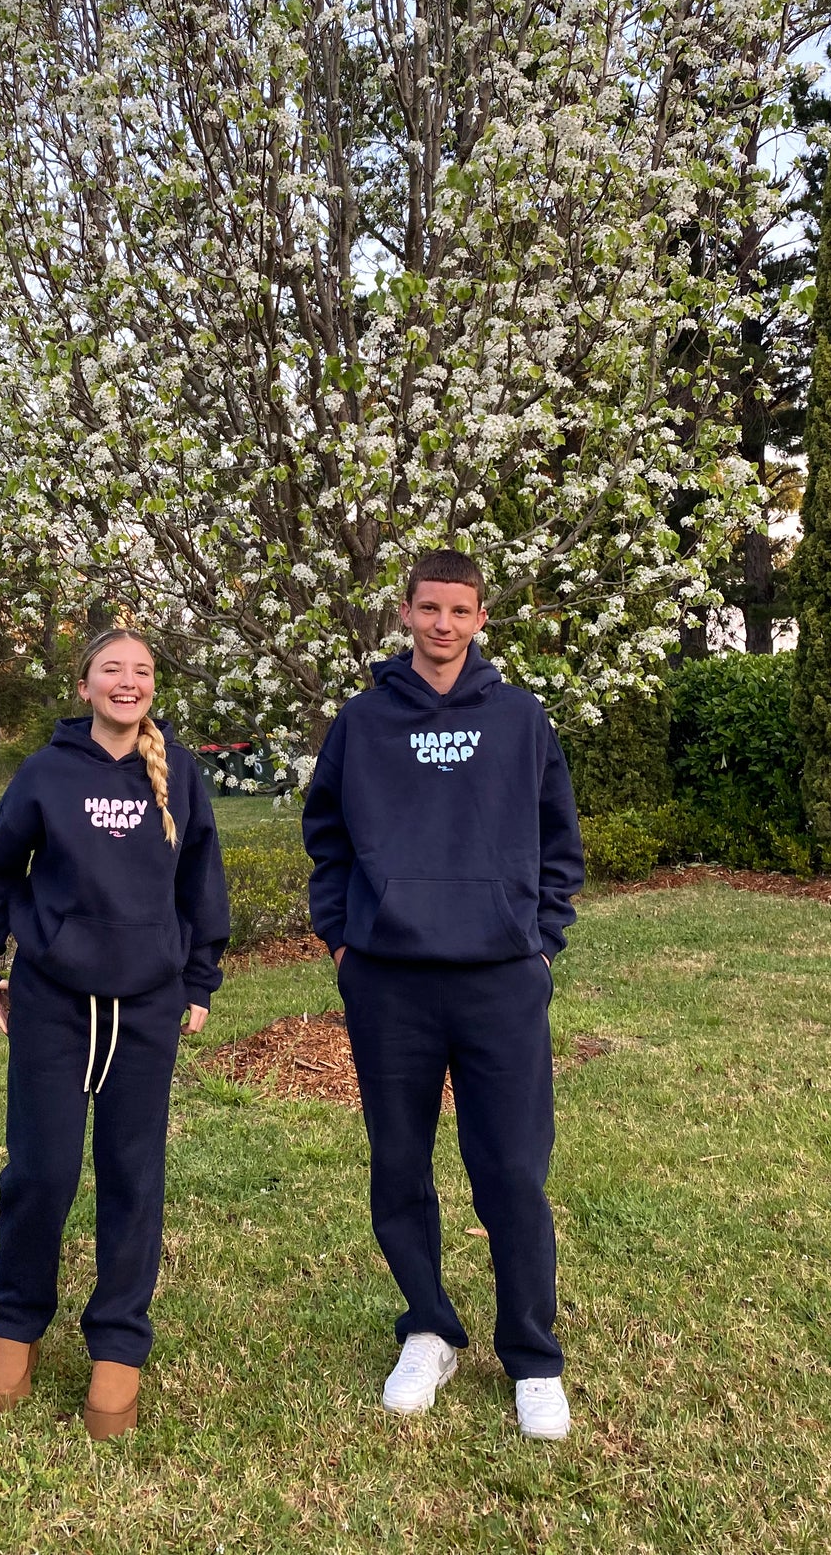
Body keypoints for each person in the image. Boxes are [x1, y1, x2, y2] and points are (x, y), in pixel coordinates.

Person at [303, 550, 584, 1440]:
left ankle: (532, 1357)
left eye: (459, 611)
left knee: (509, 1171)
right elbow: (327, 835)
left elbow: (558, 840)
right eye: (429, 608)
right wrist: (345, 939)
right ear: (404, 611)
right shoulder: (362, 721)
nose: (442, 625)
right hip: (388, 980)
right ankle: (427, 1326)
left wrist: (539, 943)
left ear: (480, 618)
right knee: (399, 1164)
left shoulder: (518, 717)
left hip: (499, 977)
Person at [0, 628, 230, 1439]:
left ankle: (117, 1343)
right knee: (40, 1170)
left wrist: (198, 975)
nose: (128, 680)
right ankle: (16, 1321)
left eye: (142, 671)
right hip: (53, 1002)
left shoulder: (181, 776)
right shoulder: (46, 773)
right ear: (83, 685)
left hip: (145, 1006)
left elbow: (200, 880)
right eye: (112, 668)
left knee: (131, 1175)